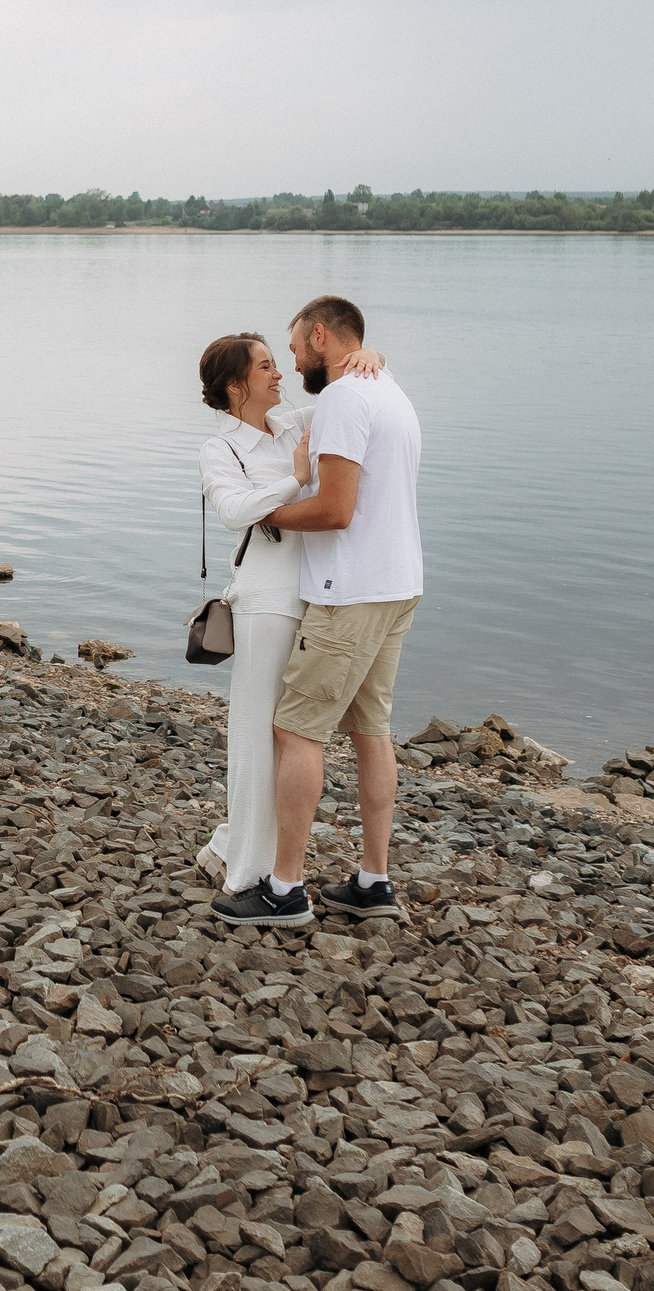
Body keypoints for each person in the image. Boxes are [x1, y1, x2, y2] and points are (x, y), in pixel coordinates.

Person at [212, 294, 422, 928]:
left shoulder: (338, 400)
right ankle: (373, 881)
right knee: (370, 729)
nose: (291, 360)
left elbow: (334, 510)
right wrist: (372, 354)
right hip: (400, 583)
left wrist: (270, 513)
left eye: (296, 345)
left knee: (296, 732)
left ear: (324, 339)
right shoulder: (388, 389)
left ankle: (285, 889)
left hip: (351, 591)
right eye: (272, 360)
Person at [193, 330, 382, 906]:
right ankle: (246, 870)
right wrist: (296, 480)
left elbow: (340, 397)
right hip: (262, 607)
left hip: (313, 599)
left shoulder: (292, 424)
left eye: (279, 363)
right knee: (256, 739)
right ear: (236, 385)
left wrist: (370, 358)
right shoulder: (219, 449)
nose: (279, 374)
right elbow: (234, 513)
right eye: (267, 366)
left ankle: (253, 853)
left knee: (293, 739)